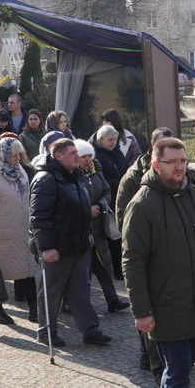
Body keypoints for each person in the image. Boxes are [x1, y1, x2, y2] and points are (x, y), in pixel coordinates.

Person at [123, 137, 195, 387]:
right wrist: (141, 311)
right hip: (165, 307)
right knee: (178, 372)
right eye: (172, 162)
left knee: (183, 367)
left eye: (183, 160)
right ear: (156, 164)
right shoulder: (142, 205)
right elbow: (133, 262)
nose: (179, 167)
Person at [30, 138, 112, 348]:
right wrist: (46, 247)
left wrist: (87, 233)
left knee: (81, 289)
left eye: (78, 152)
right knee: (51, 291)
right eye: (73, 153)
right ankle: (46, 331)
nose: (78, 156)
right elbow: (39, 217)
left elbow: (82, 209)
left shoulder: (76, 175)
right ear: (58, 156)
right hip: (57, 248)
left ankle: (90, 330)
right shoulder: (46, 179)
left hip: (80, 245)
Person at [114, 126, 173, 378]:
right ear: (152, 145)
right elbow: (122, 217)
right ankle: (152, 359)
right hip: (146, 254)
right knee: (146, 307)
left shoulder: (180, 174)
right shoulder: (133, 177)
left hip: (173, 255)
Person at [0, 137, 38, 325]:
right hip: (0, 235)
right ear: (3, 154)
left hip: (22, 232)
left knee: (27, 271)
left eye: (19, 154)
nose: (17, 158)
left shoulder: (20, 171)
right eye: (13, 155)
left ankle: (35, 310)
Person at [74, 139, 130, 313]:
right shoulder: (72, 175)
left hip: (98, 228)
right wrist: (87, 210)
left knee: (103, 265)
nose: (87, 160)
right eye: (83, 156)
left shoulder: (96, 170)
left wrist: (100, 205)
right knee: (81, 271)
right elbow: (70, 200)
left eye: (89, 156)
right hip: (80, 229)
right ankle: (74, 303)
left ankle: (112, 300)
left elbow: (106, 191)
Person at [93, 124, 129, 279]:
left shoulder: (117, 151)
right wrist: (120, 183)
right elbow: (102, 179)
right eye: (110, 140)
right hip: (109, 199)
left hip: (122, 196)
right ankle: (117, 270)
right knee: (113, 235)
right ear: (101, 140)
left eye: (115, 139)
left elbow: (125, 169)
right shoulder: (96, 156)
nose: (113, 142)